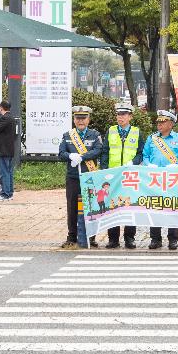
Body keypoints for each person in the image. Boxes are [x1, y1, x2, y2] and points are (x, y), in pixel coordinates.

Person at [57, 105, 104, 250]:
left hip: (90, 176)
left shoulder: (95, 135)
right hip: (73, 177)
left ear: (88, 119)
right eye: (78, 118)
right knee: (72, 207)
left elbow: (98, 150)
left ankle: (91, 238)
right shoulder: (67, 135)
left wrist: (82, 157)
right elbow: (61, 154)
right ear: (74, 120)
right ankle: (71, 237)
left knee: (91, 207)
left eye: (83, 118)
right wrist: (70, 155)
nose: (80, 121)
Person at [142, 110, 178, 250]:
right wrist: (148, 164)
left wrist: (177, 165)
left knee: (173, 208)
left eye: (162, 122)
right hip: (155, 179)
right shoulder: (152, 138)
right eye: (158, 122)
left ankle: (173, 239)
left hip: (172, 179)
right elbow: (145, 155)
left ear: (170, 124)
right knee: (155, 207)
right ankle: (155, 239)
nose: (159, 124)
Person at [103, 103, 141, 249]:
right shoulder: (111, 131)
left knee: (130, 206)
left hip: (130, 176)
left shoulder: (137, 132)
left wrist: (134, 162)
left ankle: (130, 238)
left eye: (124, 114)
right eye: (119, 114)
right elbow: (105, 151)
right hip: (113, 176)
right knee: (112, 207)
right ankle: (113, 239)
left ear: (130, 116)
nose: (121, 117)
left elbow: (140, 152)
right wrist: (105, 170)